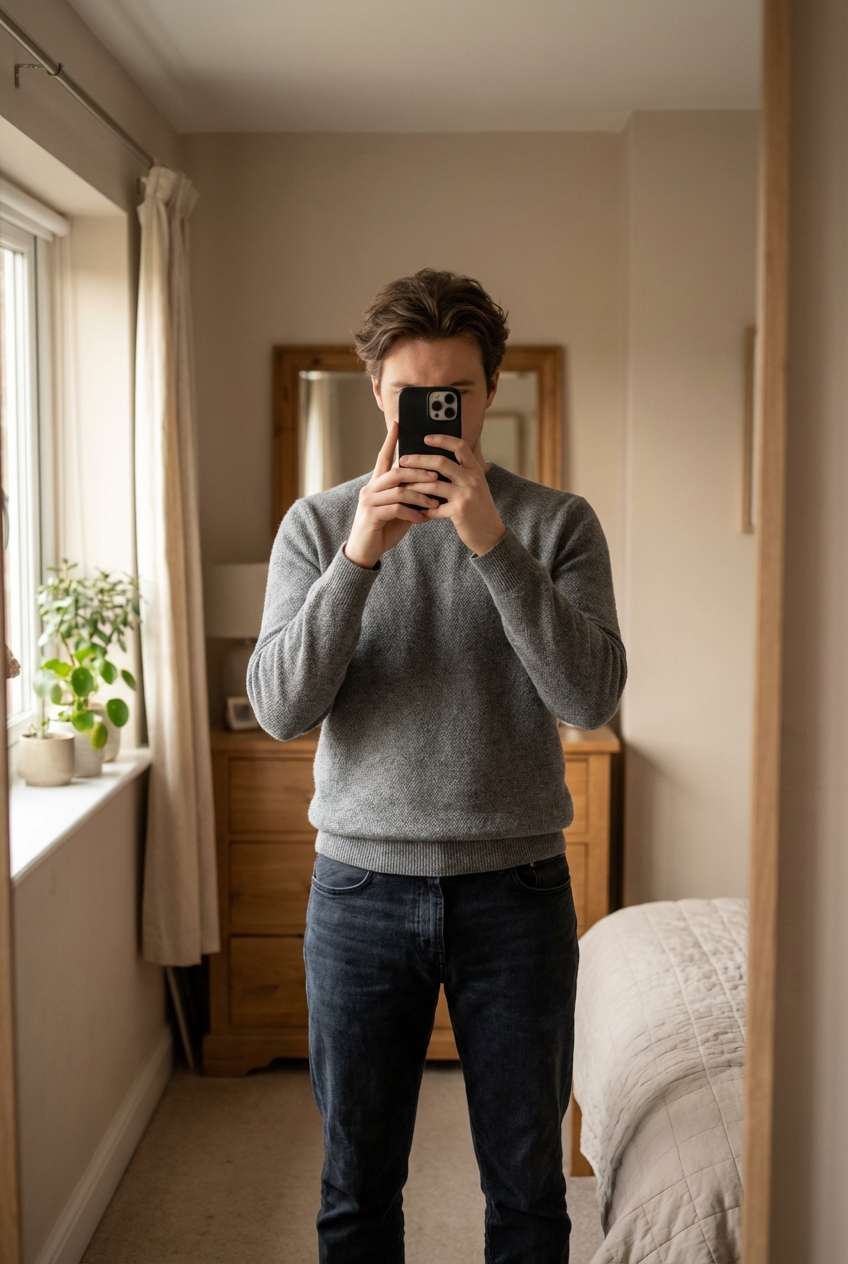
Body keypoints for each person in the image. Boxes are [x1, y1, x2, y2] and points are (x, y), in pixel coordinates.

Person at [248, 268, 626, 1264]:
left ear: (488, 393)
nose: (434, 416)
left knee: (527, 1191)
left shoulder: (555, 523)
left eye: (453, 396)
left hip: (517, 895)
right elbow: (282, 708)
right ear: (378, 390)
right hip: (359, 895)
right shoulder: (315, 525)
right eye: (415, 395)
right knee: (354, 1190)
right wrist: (361, 553)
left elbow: (588, 700)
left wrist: (490, 545)